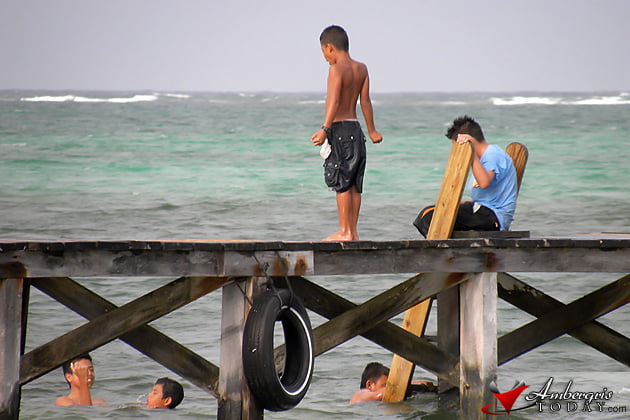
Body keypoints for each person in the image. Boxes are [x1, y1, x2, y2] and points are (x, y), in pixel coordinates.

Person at [311, 25, 383, 241]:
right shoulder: (361, 68)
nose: (325, 58)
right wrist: (371, 130)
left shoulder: (335, 69)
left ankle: (344, 231)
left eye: (324, 52)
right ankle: (353, 231)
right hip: (356, 129)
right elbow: (366, 101)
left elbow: (333, 101)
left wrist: (325, 129)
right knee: (354, 183)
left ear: (330, 47)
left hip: (339, 129)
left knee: (341, 180)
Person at [413, 116, 518, 237]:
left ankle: (441, 248)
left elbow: (484, 182)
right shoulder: (482, 158)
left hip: (492, 217)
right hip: (483, 212)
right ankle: (448, 246)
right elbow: (489, 194)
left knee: (431, 217)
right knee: (430, 213)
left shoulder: (492, 154)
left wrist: (471, 152)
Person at [349, 362, 436, 404]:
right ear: (369, 385)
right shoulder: (360, 394)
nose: (390, 387)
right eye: (385, 385)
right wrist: (411, 386)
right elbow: (381, 394)